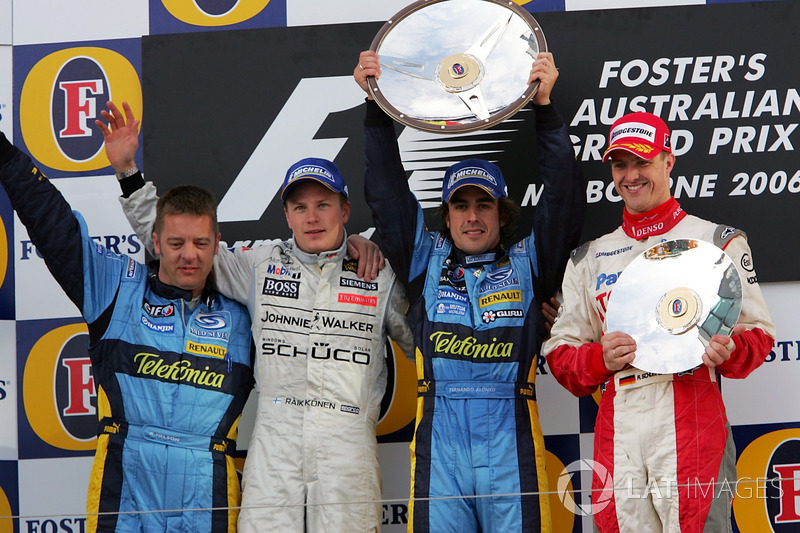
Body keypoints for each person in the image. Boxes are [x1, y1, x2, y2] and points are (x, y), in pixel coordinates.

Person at [98, 102, 414, 533]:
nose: (312, 217)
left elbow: (432, 343)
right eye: (300, 207)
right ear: (286, 215)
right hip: (274, 439)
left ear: (344, 210)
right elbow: (177, 246)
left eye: (323, 204)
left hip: (348, 442)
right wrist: (129, 174)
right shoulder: (260, 265)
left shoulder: (375, 273)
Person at [355, 50, 586, 532]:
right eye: (461, 205)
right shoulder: (425, 259)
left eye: (484, 204)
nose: (473, 215)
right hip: (441, 439)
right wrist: (377, 109)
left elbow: (563, 199)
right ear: (446, 215)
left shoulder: (531, 261)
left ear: (503, 213)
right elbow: (388, 194)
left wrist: (544, 108)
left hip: (512, 436)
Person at [0, 131, 255, 532]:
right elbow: (53, 223)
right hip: (125, 484)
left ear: (217, 244)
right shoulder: (116, 286)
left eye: (200, 243)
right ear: (154, 241)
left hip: (209, 489)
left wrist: (353, 246)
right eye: (175, 243)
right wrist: (5, 156)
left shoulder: (247, 309)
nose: (189, 255)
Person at [542, 111, 776, 532]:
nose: (630, 175)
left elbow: (758, 336)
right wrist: (600, 359)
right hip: (621, 418)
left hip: (691, 407)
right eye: (620, 164)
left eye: (642, 162)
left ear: (668, 161)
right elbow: (561, 355)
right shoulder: (588, 258)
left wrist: (730, 350)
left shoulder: (717, 240)